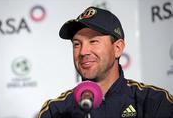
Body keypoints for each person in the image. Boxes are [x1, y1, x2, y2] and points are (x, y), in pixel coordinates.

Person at [37, 6, 173, 118]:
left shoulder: (155, 102)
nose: (83, 51)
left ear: (118, 48)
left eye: (93, 41)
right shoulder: (55, 111)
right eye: (77, 44)